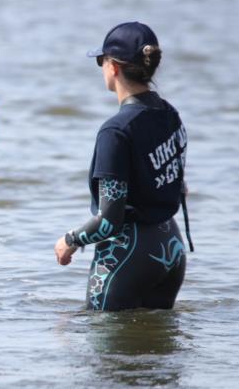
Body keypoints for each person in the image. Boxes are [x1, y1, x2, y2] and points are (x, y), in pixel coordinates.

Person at [54, 21, 192, 311]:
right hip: (170, 247)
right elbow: (179, 186)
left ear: (113, 67)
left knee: (102, 347)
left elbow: (109, 220)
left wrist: (71, 240)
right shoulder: (170, 114)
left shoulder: (115, 132)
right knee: (156, 352)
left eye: (100, 61)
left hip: (127, 255)